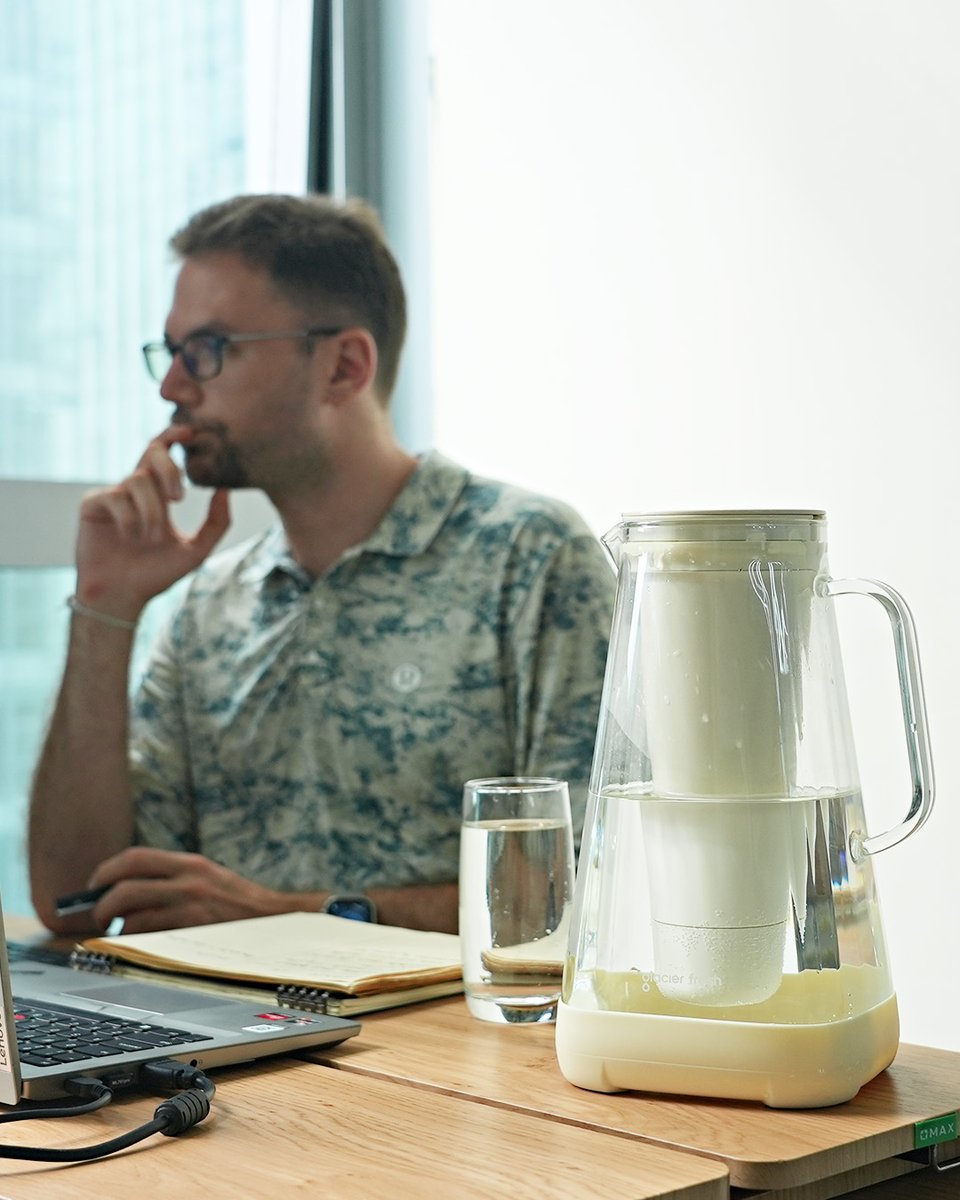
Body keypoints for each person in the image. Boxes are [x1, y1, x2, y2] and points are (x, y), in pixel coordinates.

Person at [28, 193, 614, 938]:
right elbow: (78, 899)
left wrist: (292, 918)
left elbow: (591, 892)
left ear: (344, 366)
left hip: (449, 1021)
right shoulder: (211, 608)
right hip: (217, 1018)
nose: (171, 387)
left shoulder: (533, 561)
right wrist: (104, 608)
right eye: (169, 351)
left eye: (208, 349)